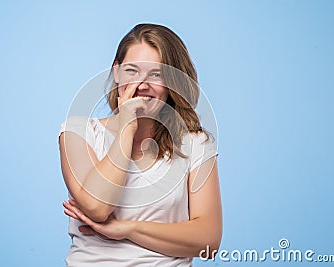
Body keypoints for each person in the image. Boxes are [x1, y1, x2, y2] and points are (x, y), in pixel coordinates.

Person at [58, 23, 222, 266]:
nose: (142, 84)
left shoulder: (195, 143)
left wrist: (128, 229)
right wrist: (127, 127)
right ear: (116, 72)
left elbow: (208, 241)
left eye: (156, 74)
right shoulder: (78, 132)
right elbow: (97, 207)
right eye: (132, 71)